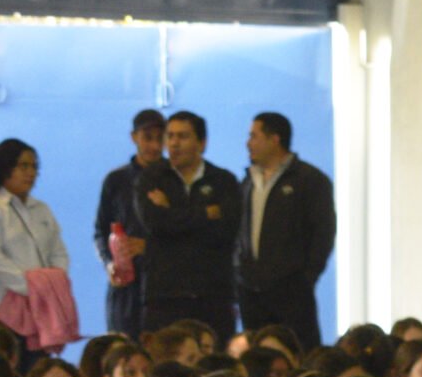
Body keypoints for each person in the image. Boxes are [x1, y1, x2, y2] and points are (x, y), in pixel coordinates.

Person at [234, 112, 334, 352]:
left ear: (274, 139)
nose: (248, 143)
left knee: (299, 354)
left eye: (254, 136)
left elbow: (323, 233)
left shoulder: (310, 180)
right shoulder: (247, 182)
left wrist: (305, 278)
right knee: (258, 359)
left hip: (292, 294)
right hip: (251, 293)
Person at [138, 112, 241, 336]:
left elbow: (224, 232)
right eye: (170, 136)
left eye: (183, 136)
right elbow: (155, 224)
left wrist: (171, 212)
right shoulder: (151, 178)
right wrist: (205, 214)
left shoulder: (224, 181)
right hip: (164, 296)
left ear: (202, 143)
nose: (173, 143)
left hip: (213, 296)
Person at [0, 139, 71, 349]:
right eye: (23, 166)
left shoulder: (42, 209)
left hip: (38, 308)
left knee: (36, 371)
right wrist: (33, 286)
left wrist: (51, 283)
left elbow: (59, 253)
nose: (30, 173)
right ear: (5, 168)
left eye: (34, 167)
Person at [93, 109, 164, 339]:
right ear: (134, 137)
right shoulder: (116, 181)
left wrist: (149, 246)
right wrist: (109, 263)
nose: (154, 145)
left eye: (160, 138)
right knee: (123, 350)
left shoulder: (173, 178)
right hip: (125, 284)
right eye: (147, 137)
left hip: (164, 285)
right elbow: (100, 231)